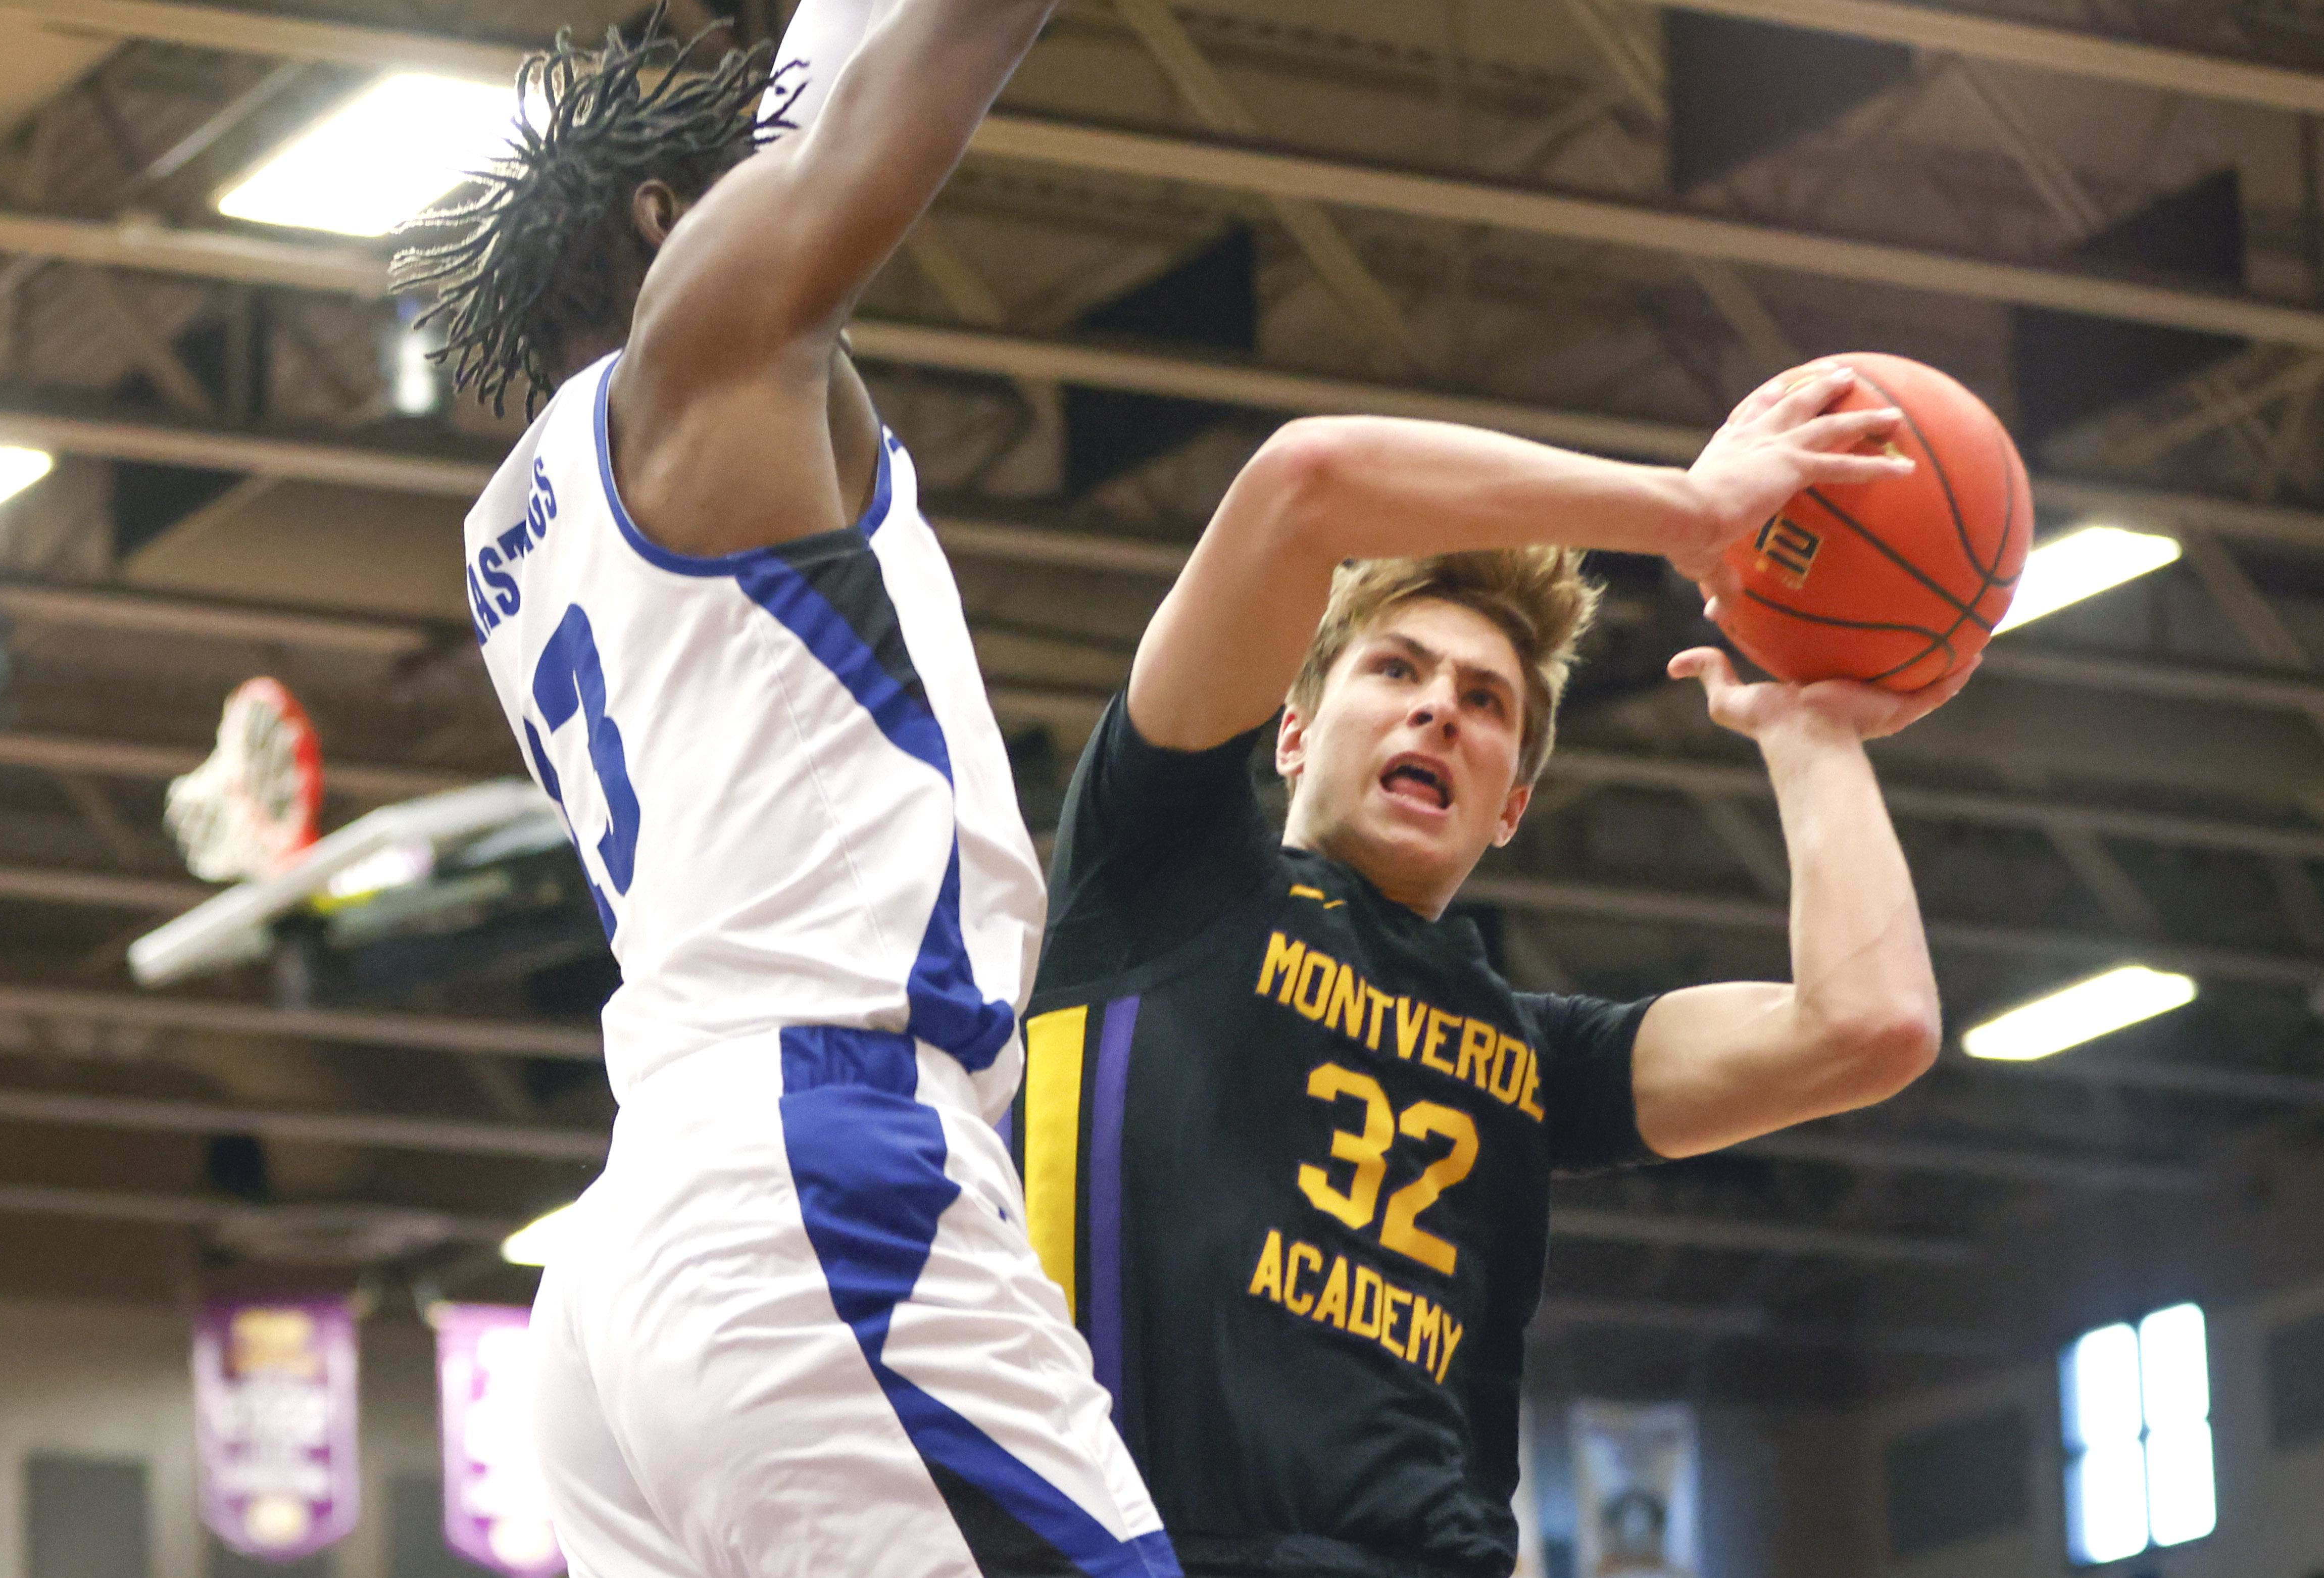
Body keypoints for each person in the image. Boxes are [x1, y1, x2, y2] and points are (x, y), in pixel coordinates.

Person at [398, 3, 1177, 1574]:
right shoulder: (713, 341)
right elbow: (894, 95)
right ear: (664, 228)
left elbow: (812, 118)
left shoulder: (526, 525)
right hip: (820, 1174)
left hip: (644, 1255)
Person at [1013, 368, 1959, 1577]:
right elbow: (1302, 481)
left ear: (1510, 804)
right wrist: (1683, 508)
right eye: (1394, 671)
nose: (1437, 713)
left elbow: (1870, 1024)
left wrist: (1811, 735)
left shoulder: (1528, 1051)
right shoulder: (1162, 873)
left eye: (1483, 700)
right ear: (1292, 729)